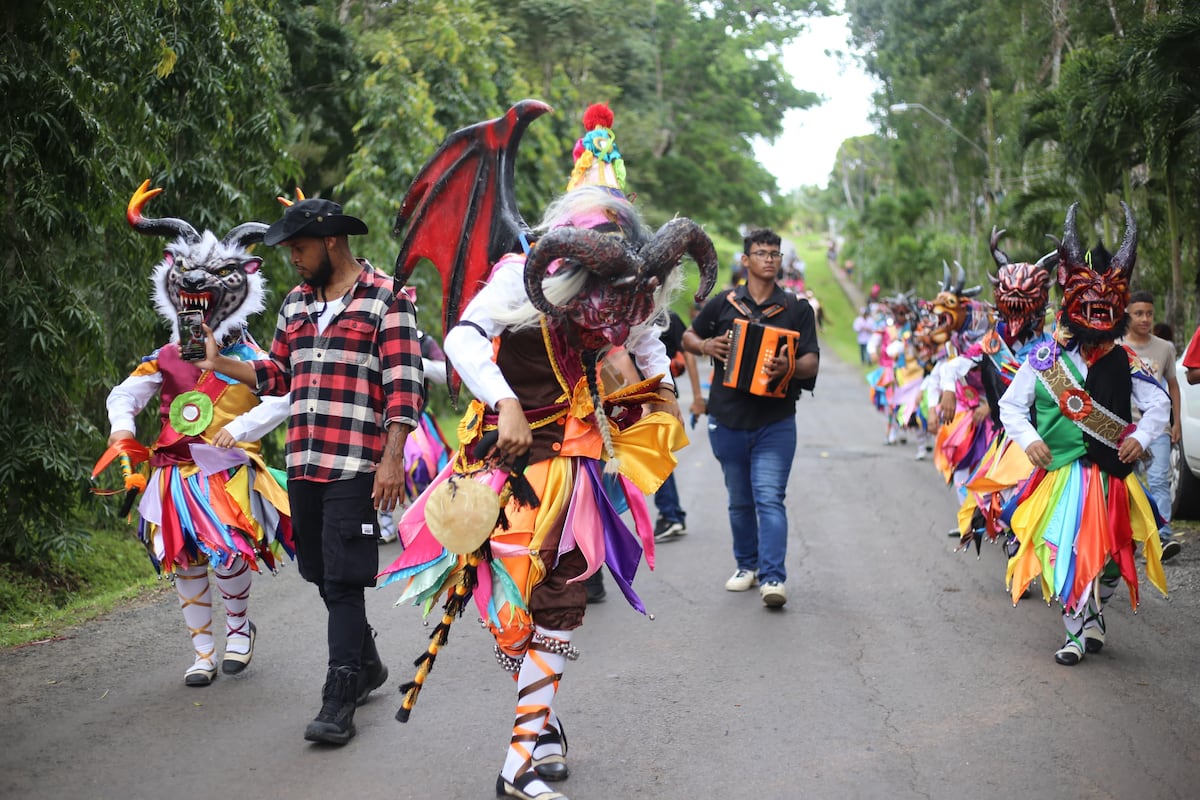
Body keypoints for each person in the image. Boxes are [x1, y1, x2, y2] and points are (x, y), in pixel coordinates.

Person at [198, 196, 424, 745]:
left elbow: (404, 385)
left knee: (344, 581)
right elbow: (280, 373)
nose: (292, 259)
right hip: (303, 459)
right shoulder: (296, 305)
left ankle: (340, 695)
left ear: (330, 241)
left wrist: (390, 459)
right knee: (320, 574)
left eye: (298, 247)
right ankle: (367, 663)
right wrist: (219, 362)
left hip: (355, 463)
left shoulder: (387, 298)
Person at [104, 181, 292, 687]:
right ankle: (203, 651)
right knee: (184, 557)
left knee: (229, 552)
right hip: (174, 474)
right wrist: (123, 435)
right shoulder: (164, 357)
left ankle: (237, 631)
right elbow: (123, 396)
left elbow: (288, 395)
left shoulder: (251, 357)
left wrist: (242, 426)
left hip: (226, 474)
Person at [998, 203, 1169, 666]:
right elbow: (1011, 405)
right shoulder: (1044, 357)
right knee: (1064, 549)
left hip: (1113, 473)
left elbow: (1159, 405)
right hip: (1062, 473)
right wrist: (1029, 439)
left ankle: (1094, 613)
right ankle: (1074, 633)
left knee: (1115, 557)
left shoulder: (1126, 360)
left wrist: (1144, 436)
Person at [683, 228, 820, 609]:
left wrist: (788, 366)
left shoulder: (796, 308)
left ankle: (773, 577)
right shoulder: (724, 304)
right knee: (739, 500)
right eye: (761, 253)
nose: (769, 259)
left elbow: (811, 360)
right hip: (726, 418)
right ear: (745, 261)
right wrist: (708, 344)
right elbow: (689, 338)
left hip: (775, 420)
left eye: (774, 253)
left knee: (769, 498)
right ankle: (746, 566)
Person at [1118, 290, 1182, 561]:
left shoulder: (1165, 348)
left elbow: (1173, 386)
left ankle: (1162, 537)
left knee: (1158, 479)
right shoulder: (1116, 345)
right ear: (1127, 315)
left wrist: (1176, 423)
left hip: (1156, 428)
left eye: (1149, 314)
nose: (1145, 319)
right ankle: (1127, 535)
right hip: (1122, 429)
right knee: (1125, 483)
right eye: (1138, 313)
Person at [653, 309, 704, 543]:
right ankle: (671, 514)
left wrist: (697, 397)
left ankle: (670, 514)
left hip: (660, 398)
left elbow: (689, 354)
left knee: (656, 455)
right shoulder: (620, 312)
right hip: (625, 396)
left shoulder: (667, 317)